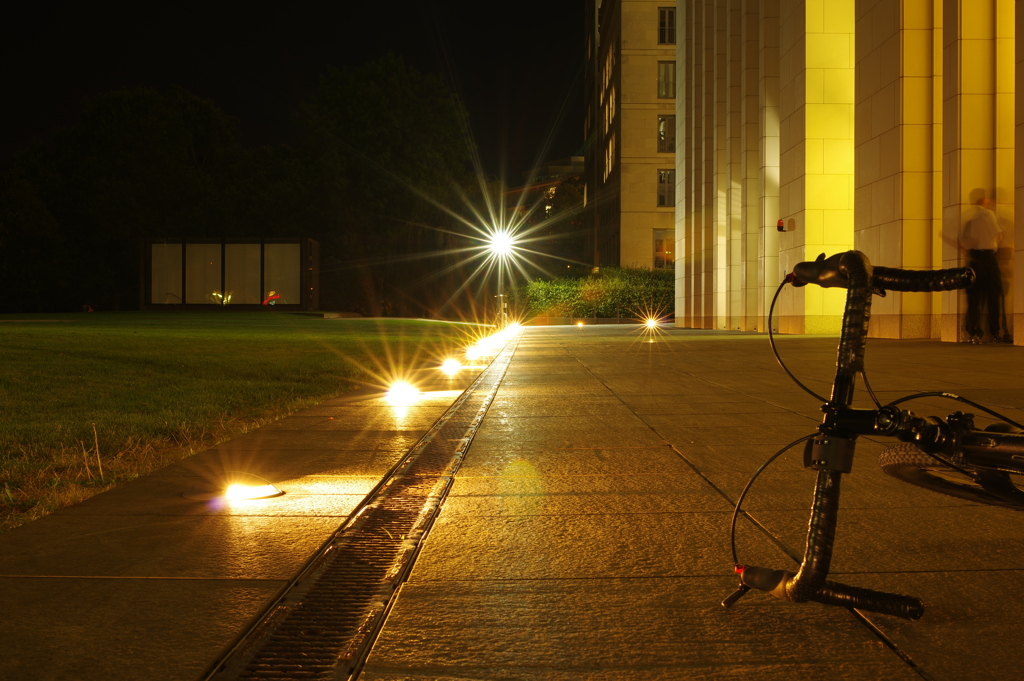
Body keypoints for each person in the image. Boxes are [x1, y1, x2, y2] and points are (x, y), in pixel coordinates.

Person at [959, 197, 1008, 343]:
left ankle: (973, 332)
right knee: (994, 294)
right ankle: (994, 332)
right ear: (984, 202)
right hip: (987, 258)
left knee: (974, 297)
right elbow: (997, 234)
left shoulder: (968, 220)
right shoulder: (987, 214)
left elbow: (963, 243)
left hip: (973, 259)